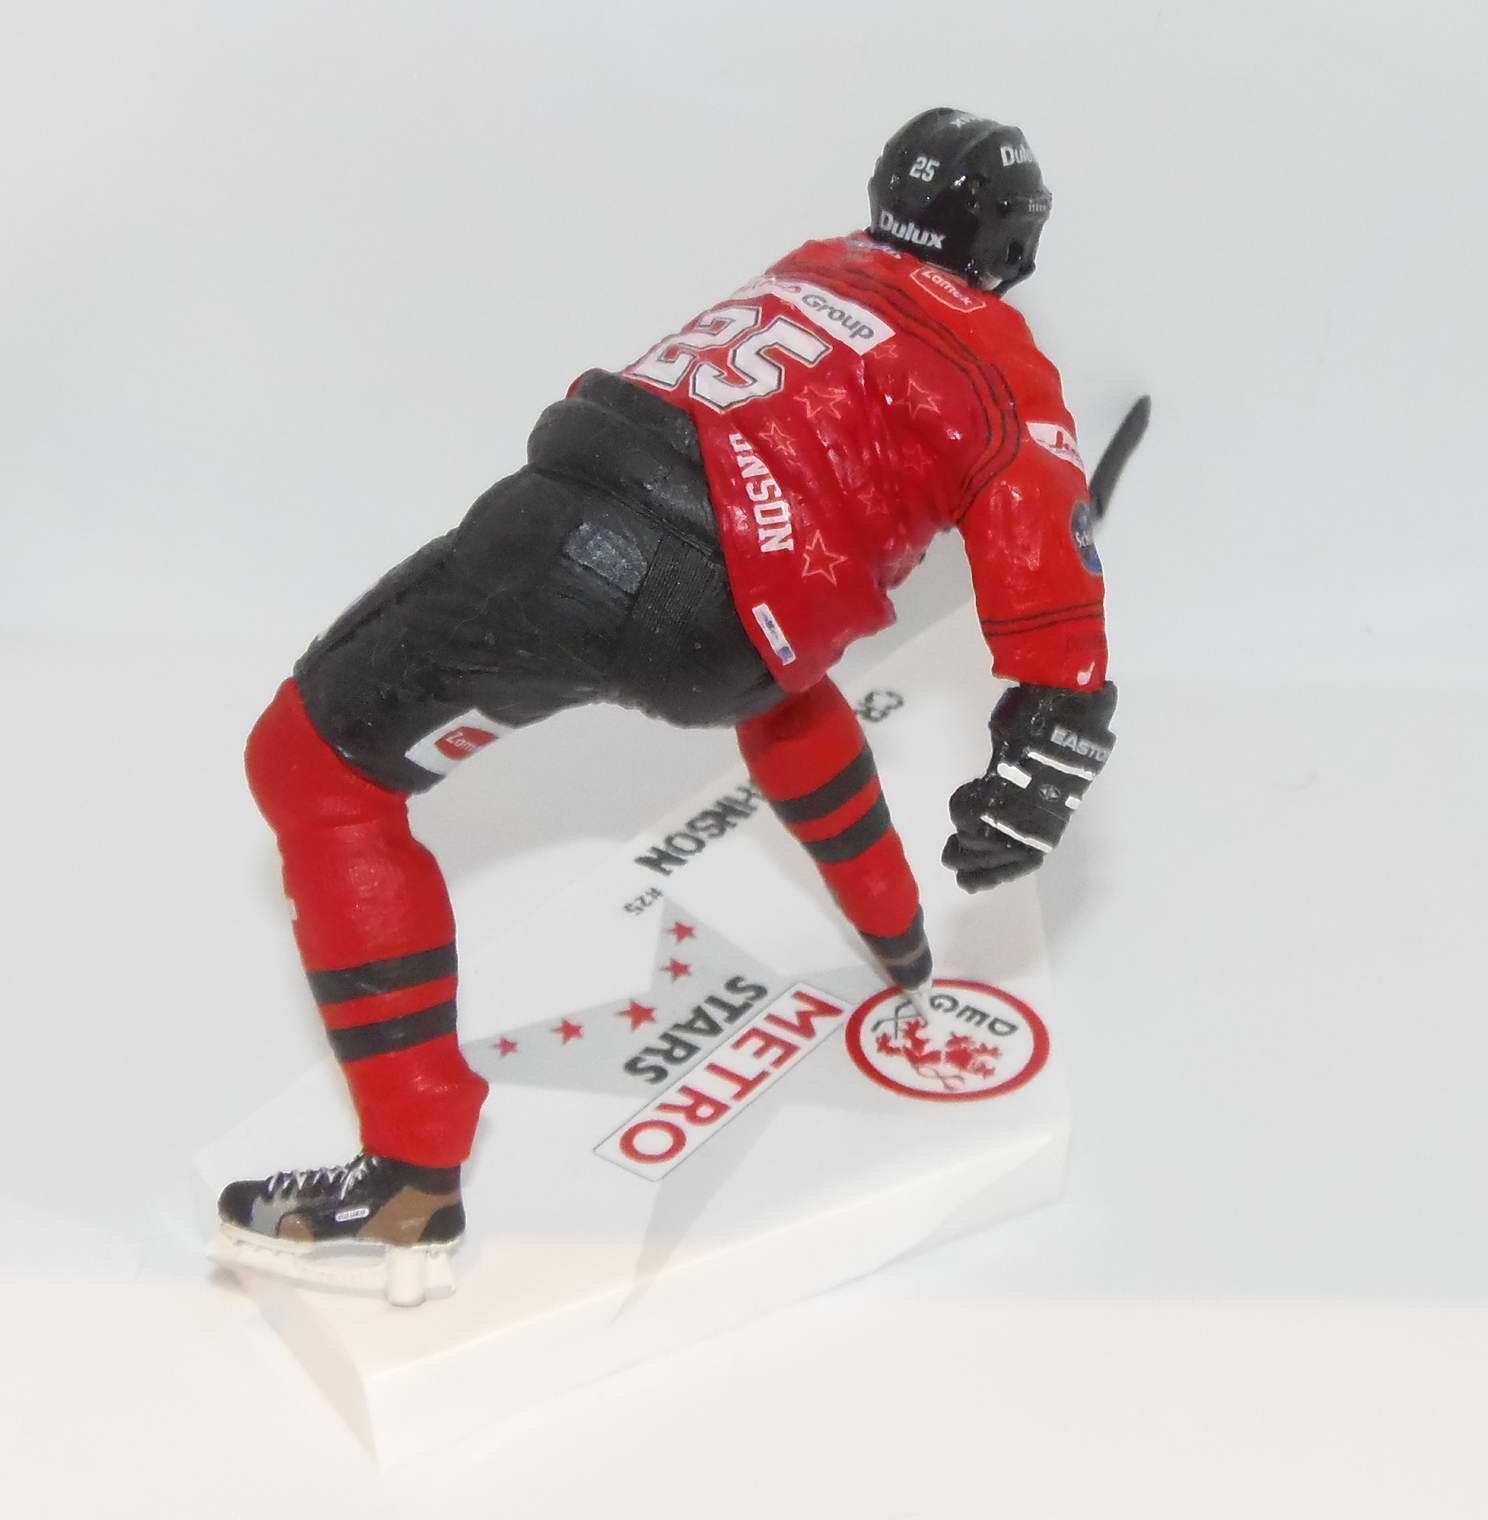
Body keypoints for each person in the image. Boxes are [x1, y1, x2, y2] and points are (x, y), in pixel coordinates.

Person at [213, 108, 1122, 1304]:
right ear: (1015, 240)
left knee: (315, 771)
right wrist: (1046, 739)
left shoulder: (814, 265)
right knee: (786, 679)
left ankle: (411, 1178)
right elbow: (1048, 582)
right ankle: (898, 937)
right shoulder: (1005, 367)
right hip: (731, 637)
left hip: (566, 525)